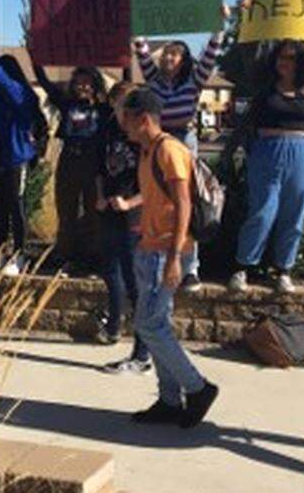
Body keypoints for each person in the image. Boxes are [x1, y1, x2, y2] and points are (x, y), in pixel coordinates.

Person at [120, 88, 219, 428]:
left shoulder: (170, 151)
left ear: (143, 118)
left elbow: (183, 204)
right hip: (150, 249)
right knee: (157, 324)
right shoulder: (148, 152)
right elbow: (153, 198)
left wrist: (176, 256)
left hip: (166, 252)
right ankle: (169, 400)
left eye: (127, 118)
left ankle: (198, 387)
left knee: (149, 324)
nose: (123, 126)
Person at [129, 5, 232, 283]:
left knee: (188, 202)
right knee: (155, 199)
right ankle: (156, 251)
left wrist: (220, 23)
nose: (168, 57)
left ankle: (190, 268)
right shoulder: (153, 80)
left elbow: (211, 54)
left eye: (175, 53)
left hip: (184, 141)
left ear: (184, 59)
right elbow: (140, 49)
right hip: (158, 140)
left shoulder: (194, 81)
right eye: (166, 53)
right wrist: (135, 19)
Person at [226, 39, 304, 294]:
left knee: (294, 214)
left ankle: (283, 270)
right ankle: (243, 266)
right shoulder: (264, 87)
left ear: (302, 62)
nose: (285, 62)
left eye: (292, 58)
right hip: (266, 151)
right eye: (281, 57)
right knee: (262, 212)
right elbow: (251, 54)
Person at [31, 61, 109, 275]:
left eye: (87, 84)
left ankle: (93, 257)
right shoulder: (67, 104)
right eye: (79, 83)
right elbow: (45, 83)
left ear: (95, 85)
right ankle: (66, 254)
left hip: (94, 163)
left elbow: (127, 87)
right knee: (66, 209)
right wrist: (35, 57)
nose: (83, 87)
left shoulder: (103, 108)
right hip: (69, 159)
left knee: (94, 212)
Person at [96, 82, 151, 374]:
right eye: (116, 104)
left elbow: (155, 186)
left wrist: (131, 203)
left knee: (134, 282)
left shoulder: (143, 138)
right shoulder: (107, 129)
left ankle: (142, 353)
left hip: (134, 214)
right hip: (110, 209)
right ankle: (114, 326)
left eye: (125, 105)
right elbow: (99, 167)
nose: (120, 111)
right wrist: (100, 196)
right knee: (111, 271)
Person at [0, 52, 41, 275]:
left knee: (17, 206)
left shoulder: (22, 94)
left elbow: (6, 84)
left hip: (16, 158)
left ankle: (19, 254)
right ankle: (0, 251)